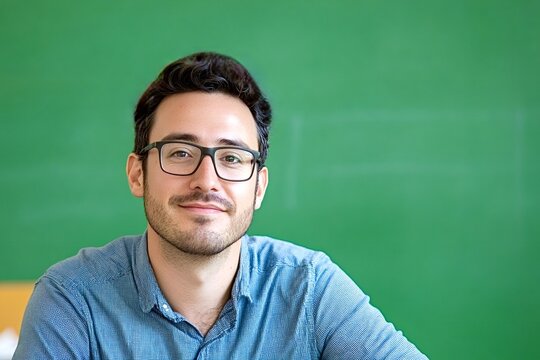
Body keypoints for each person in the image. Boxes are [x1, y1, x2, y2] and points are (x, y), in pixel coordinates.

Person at [14, 52, 428, 359]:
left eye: (232, 158)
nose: (207, 180)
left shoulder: (309, 289)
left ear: (259, 187)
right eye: (179, 153)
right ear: (137, 174)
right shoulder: (72, 300)